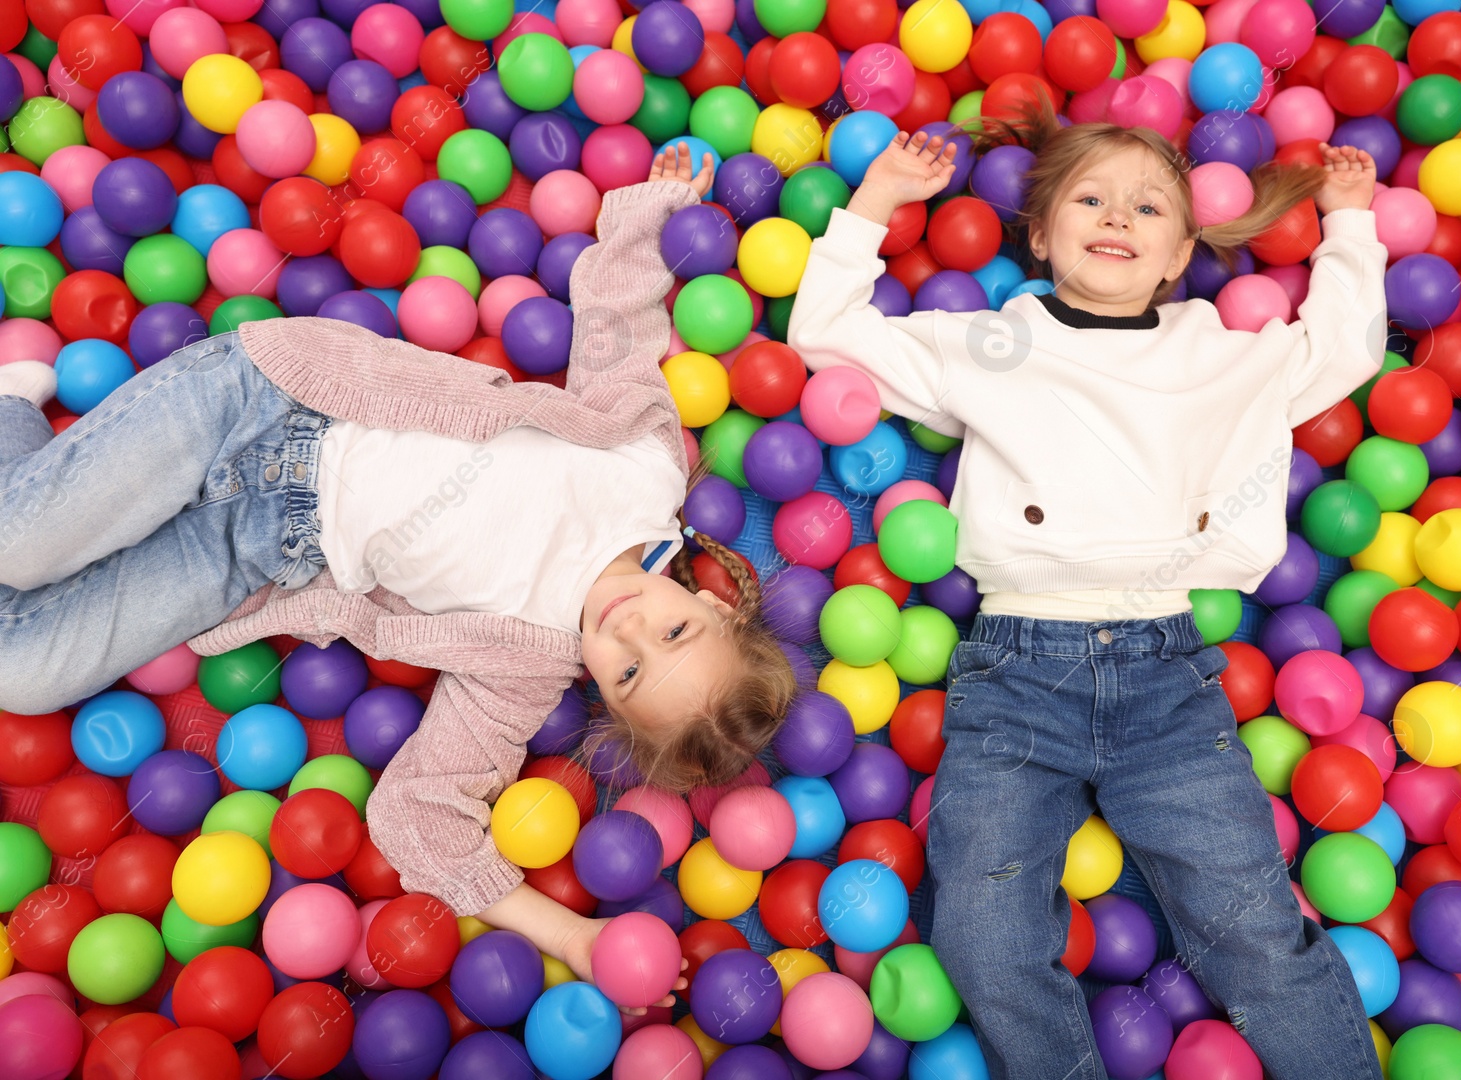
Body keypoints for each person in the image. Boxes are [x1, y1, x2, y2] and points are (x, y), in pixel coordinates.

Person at [0, 144, 796, 1004]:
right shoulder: (641, 469)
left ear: (606, 696)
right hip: (271, 401)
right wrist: (652, 209)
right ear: (715, 609)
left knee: (26, 672)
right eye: (673, 630)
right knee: (15, 546)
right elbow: (616, 328)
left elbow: (418, 817)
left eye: (630, 670)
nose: (628, 629)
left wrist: (572, 933)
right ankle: (13, 412)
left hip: (262, 541)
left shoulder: (524, 669)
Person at [787, 112, 1387, 1079]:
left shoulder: (1213, 353)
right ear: (1040, 232)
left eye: (1149, 206)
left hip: (1166, 677)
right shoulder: (991, 342)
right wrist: (876, 203)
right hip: (1017, 674)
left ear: (1180, 254)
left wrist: (1351, 226)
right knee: (981, 936)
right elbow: (824, 334)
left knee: (1254, 932)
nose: (1119, 216)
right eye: (1091, 198)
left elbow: (1342, 350)